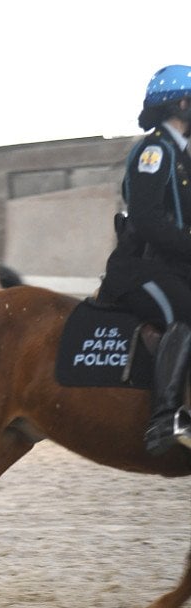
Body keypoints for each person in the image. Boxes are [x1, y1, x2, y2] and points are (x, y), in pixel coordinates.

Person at [99, 64, 191, 456]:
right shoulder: (155, 151)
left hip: (176, 264)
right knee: (186, 312)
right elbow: (149, 221)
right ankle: (164, 418)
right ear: (180, 104)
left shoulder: (183, 153)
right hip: (145, 268)